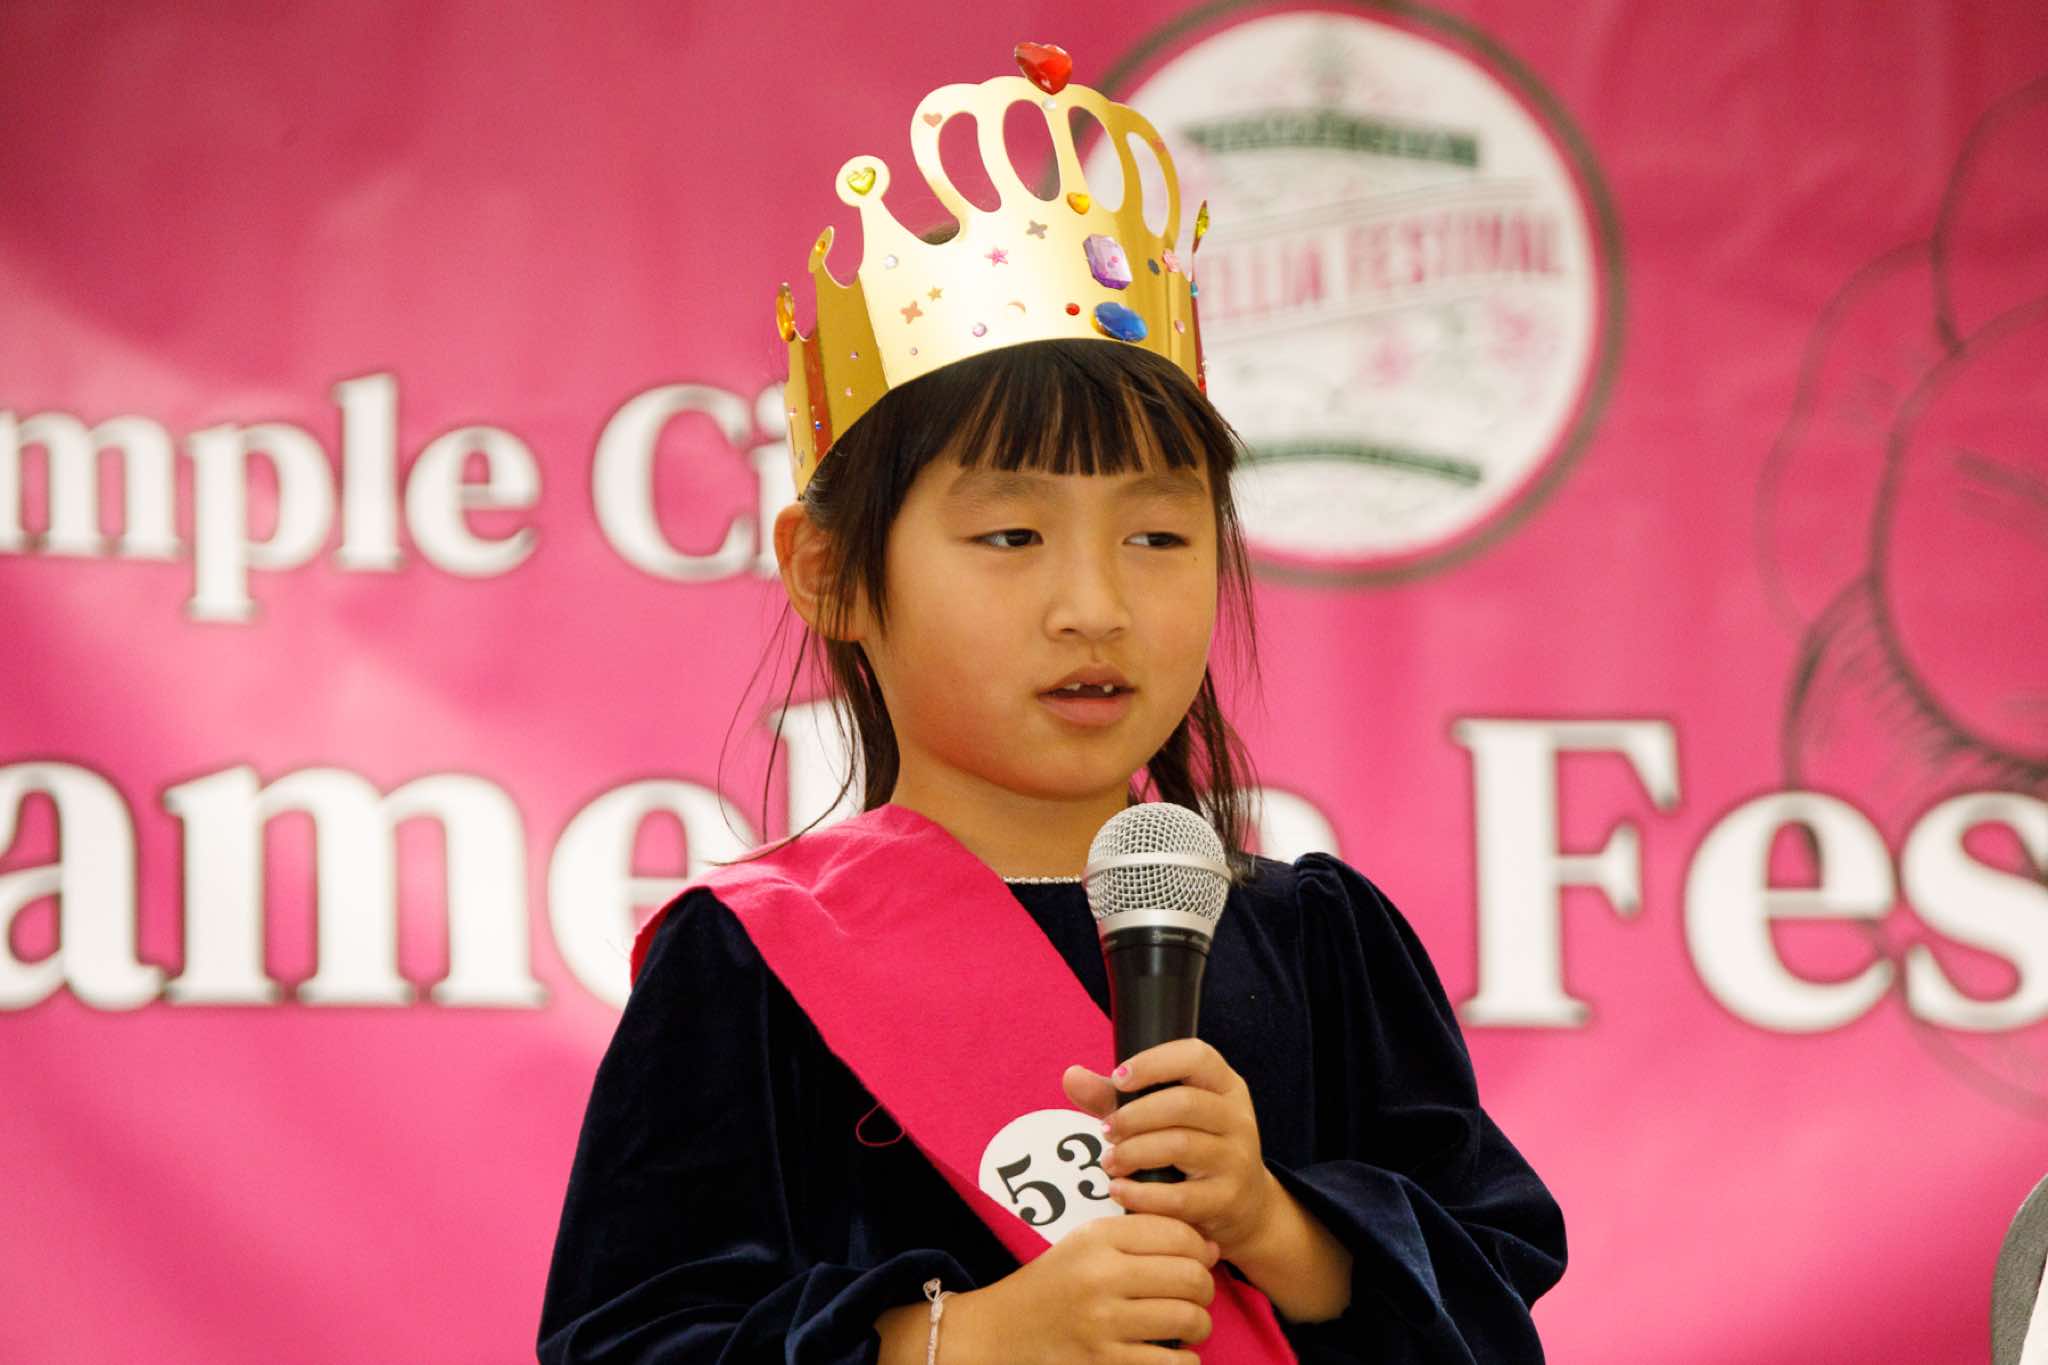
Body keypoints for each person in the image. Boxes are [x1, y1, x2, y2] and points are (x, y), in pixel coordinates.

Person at [539, 44, 1564, 1364]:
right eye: (1012, 537)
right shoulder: (752, 964)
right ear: (830, 570)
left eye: (1157, 536)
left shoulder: (1320, 945)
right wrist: (972, 1339)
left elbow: (1492, 1309)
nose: (1094, 605)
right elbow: (627, 1342)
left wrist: (1276, 1227)